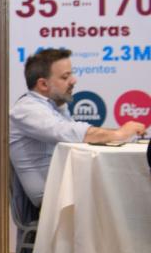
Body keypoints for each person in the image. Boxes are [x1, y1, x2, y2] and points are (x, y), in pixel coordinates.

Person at [9, 48, 145, 206]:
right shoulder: (27, 109)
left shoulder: (54, 106)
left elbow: (77, 134)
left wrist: (119, 132)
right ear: (43, 84)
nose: (73, 81)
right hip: (54, 203)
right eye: (65, 77)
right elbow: (68, 132)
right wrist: (118, 134)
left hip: (69, 193)